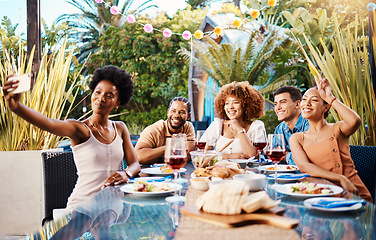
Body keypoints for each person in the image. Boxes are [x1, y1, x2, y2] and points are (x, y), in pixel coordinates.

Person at [2, 65, 141, 212]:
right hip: (83, 209)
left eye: (109, 96)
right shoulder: (79, 129)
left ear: (118, 103)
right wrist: (16, 107)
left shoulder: (120, 128)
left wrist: (126, 173)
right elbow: (48, 123)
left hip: (115, 207)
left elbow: (135, 164)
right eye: (98, 92)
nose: (101, 99)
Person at [290, 74, 372, 202]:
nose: (307, 103)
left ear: (326, 107)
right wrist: (340, 178)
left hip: (352, 192)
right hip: (323, 195)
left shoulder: (337, 128)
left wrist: (330, 98)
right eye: (305, 99)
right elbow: (304, 167)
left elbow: (355, 121)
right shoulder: (297, 138)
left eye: (315, 100)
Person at [200, 81, 266, 160]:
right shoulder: (217, 125)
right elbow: (200, 155)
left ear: (245, 105)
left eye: (235, 102)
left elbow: (252, 157)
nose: (230, 107)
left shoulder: (256, 126)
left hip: (247, 172)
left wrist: (240, 129)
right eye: (227, 103)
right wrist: (227, 157)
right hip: (221, 171)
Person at [135, 96, 195, 165]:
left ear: (188, 116)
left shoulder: (188, 127)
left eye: (182, 112)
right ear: (168, 112)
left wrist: (156, 158)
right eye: (173, 111)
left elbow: (188, 156)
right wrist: (170, 146)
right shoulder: (154, 130)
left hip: (174, 171)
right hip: (147, 173)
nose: (176, 115)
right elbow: (138, 156)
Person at [273, 86, 309, 165]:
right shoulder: (279, 129)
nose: (278, 107)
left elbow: (310, 158)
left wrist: (286, 156)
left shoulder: (310, 124)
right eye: (275, 104)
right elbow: (276, 156)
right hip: (286, 175)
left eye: (283, 102)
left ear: (297, 104)